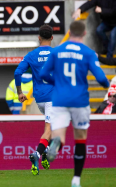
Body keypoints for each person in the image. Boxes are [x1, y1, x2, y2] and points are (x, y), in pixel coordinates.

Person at [40, 21, 109, 187]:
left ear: (69, 32)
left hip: (59, 100)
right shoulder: (89, 53)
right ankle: (76, 179)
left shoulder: (56, 51)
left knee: (59, 136)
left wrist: (56, 81)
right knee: (80, 139)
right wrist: (107, 85)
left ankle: (56, 146)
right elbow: (101, 78)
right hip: (80, 101)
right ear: (85, 34)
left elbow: (43, 73)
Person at [14, 24, 54, 175]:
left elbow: (17, 72)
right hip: (53, 97)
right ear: (52, 37)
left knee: (54, 130)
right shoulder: (57, 53)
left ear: (39, 38)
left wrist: (20, 92)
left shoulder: (31, 55)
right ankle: (36, 154)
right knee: (50, 131)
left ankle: (44, 152)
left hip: (40, 99)